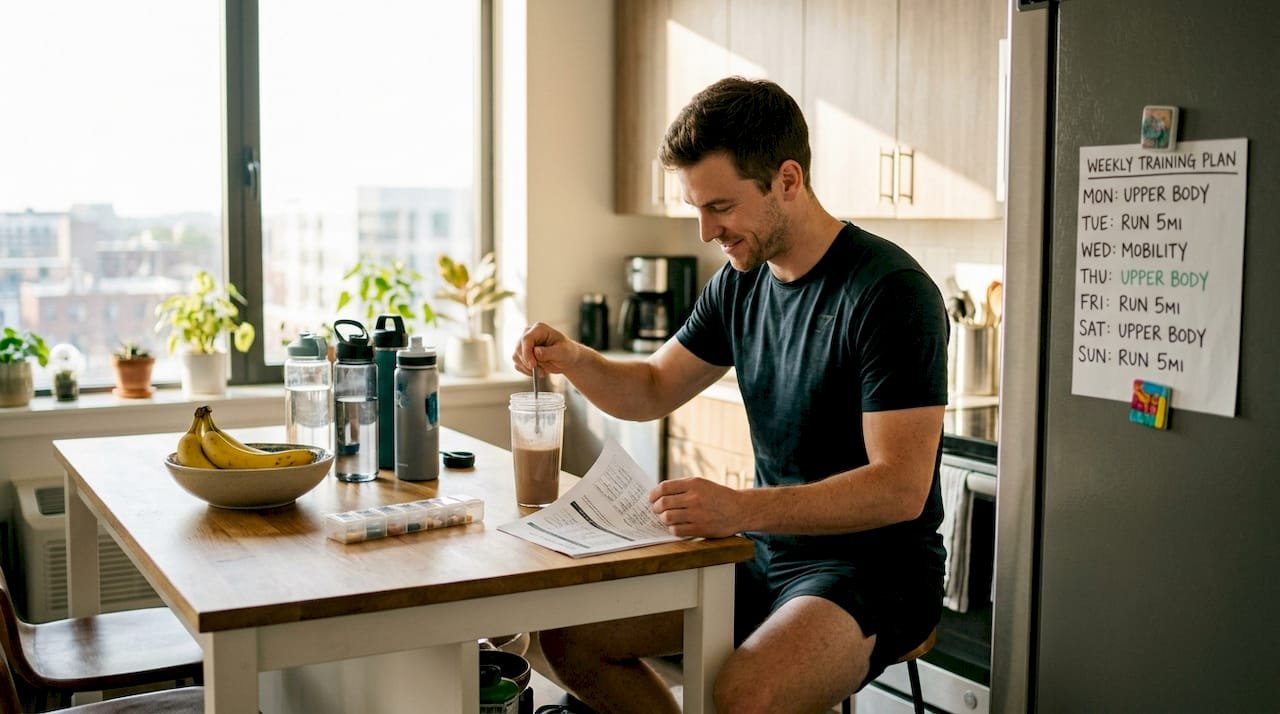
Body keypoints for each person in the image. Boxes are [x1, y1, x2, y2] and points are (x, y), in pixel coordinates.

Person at [511, 76, 948, 714]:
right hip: (764, 553)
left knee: (743, 695)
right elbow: (653, 387)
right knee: (561, 637)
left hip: (873, 567)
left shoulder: (889, 293)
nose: (704, 230)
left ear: (787, 180)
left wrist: (740, 508)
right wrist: (574, 359)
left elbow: (899, 489)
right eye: (697, 208)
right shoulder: (741, 283)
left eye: (719, 207)